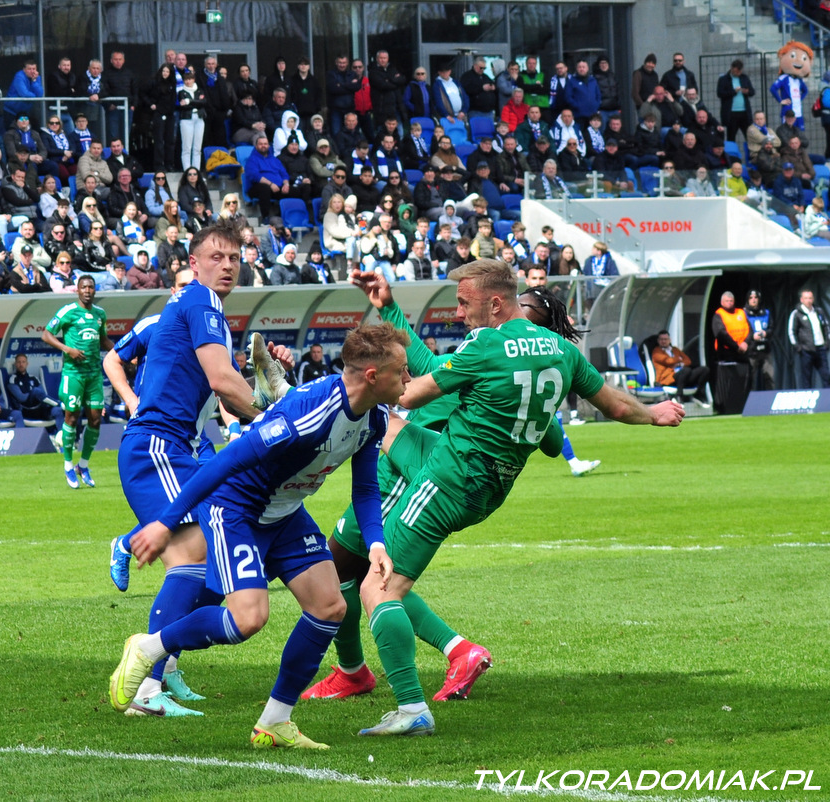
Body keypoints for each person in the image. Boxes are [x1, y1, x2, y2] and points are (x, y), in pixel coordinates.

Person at [301, 263, 685, 735]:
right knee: (389, 432)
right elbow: (615, 405)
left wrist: (363, 381)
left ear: (496, 303)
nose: (459, 312)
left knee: (377, 588)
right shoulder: (563, 351)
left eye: (464, 303)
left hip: (448, 481)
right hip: (488, 485)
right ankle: (398, 668)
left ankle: (411, 708)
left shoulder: (486, 345)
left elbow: (413, 392)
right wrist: (655, 413)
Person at [113, 323, 407, 750]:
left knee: (329, 607)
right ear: (373, 376)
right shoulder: (309, 413)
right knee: (247, 619)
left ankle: (275, 722)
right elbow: (225, 463)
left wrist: (376, 543)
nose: (408, 379)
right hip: (236, 508)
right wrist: (165, 522)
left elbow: (364, 488)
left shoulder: (373, 417)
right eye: (401, 371)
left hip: (284, 512)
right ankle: (149, 647)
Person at [108, 219, 295, 717]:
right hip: (159, 446)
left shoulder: (205, 310)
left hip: (181, 449)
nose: (228, 265)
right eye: (217, 256)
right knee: (191, 557)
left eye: (234, 257)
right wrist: (283, 420)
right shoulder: (200, 300)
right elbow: (222, 381)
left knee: (214, 554)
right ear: (193, 263)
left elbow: (227, 386)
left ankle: (162, 667)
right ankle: (147, 687)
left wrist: (269, 386)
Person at [40, 275, 114, 488]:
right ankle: (67, 466)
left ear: (95, 290)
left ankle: (83, 465)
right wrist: (68, 349)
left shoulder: (100, 314)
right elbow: (46, 334)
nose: (88, 290)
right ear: (78, 290)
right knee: (71, 418)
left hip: (94, 374)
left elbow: (103, 340)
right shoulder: (68, 311)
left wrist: (123, 352)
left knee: (95, 420)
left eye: (91, 287)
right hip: (73, 374)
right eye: (84, 287)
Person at [651, 330, 711, 403]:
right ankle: (679, 395)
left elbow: (688, 361)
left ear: (669, 340)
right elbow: (668, 361)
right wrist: (679, 359)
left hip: (683, 375)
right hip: (668, 378)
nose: (663, 341)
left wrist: (680, 364)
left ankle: (699, 394)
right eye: (661, 339)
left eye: (665, 339)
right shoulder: (656, 352)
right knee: (686, 370)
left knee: (704, 370)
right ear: (658, 341)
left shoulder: (675, 349)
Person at [787, 289, 830, 388]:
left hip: (820, 349)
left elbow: (826, 327)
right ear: (801, 300)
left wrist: (827, 342)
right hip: (806, 350)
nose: (808, 300)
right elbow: (791, 331)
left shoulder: (818, 311)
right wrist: (798, 347)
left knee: (826, 376)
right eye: (806, 298)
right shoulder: (797, 313)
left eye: (810, 298)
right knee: (806, 378)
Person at [744, 289, 774, 391]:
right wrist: (752, 336)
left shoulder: (766, 313)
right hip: (751, 349)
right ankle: (748, 398)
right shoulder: (743, 313)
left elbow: (771, 328)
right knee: (750, 377)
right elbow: (742, 330)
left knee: (770, 376)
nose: (753, 300)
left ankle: (770, 397)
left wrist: (766, 333)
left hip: (765, 349)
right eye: (751, 298)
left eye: (756, 298)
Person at [711, 290, 750, 363]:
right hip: (726, 351)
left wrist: (745, 342)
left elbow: (749, 329)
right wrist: (736, 347)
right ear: (722, 302)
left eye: (731, 301)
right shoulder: (719, 314)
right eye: (727, 301)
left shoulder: (741, 312)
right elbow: (721, 334)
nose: (729, 303)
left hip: (743, 349)